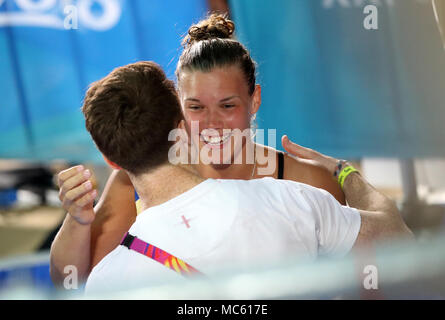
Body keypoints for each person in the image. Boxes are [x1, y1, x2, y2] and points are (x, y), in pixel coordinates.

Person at [50, 14, 372, 285]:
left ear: (254, 100)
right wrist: (77, 221)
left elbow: (366, 277)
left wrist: (346, 175)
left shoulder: (308, 182)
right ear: (178, 109)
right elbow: (72, 280)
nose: (212, 123)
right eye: (196, 107)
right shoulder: (133, 183)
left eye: (227, 105)